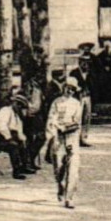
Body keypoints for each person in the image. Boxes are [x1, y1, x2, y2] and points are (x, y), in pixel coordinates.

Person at [46, 78, 85, 209]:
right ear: (63, 88)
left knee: (73, 167)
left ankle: (69, 198)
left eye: (72, 89)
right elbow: (51, 119)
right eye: (68, 88)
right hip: (58, 136)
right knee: (58, 165)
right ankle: (60, 186)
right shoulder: (56, 102)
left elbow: (77, 121)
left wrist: (68, 127)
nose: (69, 91)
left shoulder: (76, 104)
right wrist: (55, 129)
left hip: (71, 136)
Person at [0, 92, 32, 179]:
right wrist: (8, 138)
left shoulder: (17, 116)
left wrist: (23, 139)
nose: (20, 109)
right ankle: (16, 171)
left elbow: (19, 131)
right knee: (13, 146)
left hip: (10, 137)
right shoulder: (5, 111)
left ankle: (24, 166)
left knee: (24, 143)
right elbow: (0, 126)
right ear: (15, 103)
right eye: (19, 106)